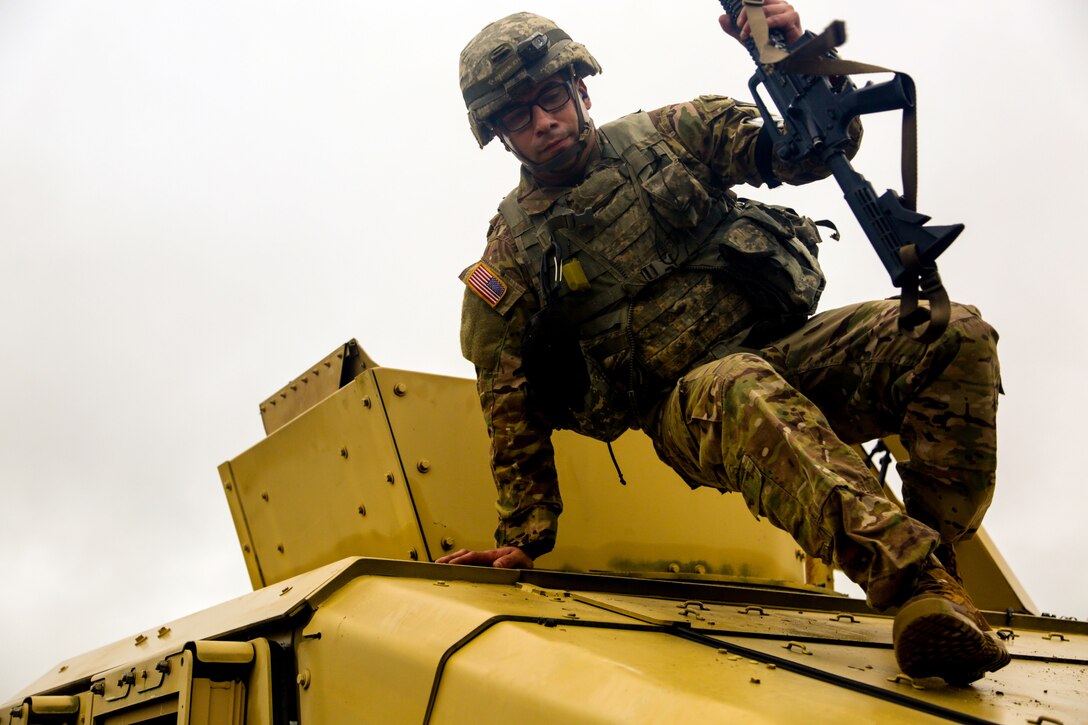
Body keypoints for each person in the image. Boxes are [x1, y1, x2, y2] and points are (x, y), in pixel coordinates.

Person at [438, 2, 1010, 685]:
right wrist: (523, 538)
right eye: (516, 116)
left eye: (551, 98)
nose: (542, 122)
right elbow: (507, 399)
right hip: (690, 409)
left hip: (788, 354)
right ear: (500, 135)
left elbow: (808, 150)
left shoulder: (672, 134)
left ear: (580, 88)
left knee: (950, 334)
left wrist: (794, 55)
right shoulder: (510, 255)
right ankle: (913, 586)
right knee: (735, 382)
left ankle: (938, 578)